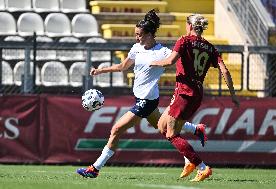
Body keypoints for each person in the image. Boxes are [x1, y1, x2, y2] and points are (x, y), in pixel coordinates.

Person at [76, 10, 207, 179]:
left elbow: (180, 61)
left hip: (146, 101)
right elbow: (123, 66)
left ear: (150, 34)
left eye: (139, 35)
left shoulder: (163, 52)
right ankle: (196, 129)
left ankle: (95, 168)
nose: (136, 38)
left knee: (116, 129)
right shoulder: (136, 48)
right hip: (143, 98)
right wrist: (100, 70)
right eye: (135, 34)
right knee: (165, 129)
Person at [150, 13, 240, 182]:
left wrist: (151, 64)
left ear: (189, 26)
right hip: (196, 93)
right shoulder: (210, 47)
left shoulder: (184, 41)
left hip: (183, 92)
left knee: (171, 134)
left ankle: (202, 167)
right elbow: (225, 71)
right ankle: (192, 150)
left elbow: (170, 61)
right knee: (162, 127)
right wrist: (233, 96)